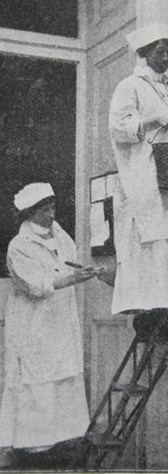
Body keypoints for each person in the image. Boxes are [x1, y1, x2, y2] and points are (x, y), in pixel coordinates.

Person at [0, 183, 101, 467]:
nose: (51, 213)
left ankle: (63, 442)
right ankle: (33, 450)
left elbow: (69, 263)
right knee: (37, 380)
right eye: (45, 209)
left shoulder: (59, 234)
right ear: (31, 213)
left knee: (63, 374)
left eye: (53, 207)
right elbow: (35, 284)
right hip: (34, 322)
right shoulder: (19, 246)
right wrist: (71, 279)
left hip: (60, 319)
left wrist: (83, 270)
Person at [109, 23, 168, 336]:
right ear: (144, 52)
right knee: (149, 243)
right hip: (145, 178)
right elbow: (120, 129)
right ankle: (148, 312)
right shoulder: (129, 86)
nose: (167, 56)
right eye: (160, 50)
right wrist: (153, 118)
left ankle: (165, 307)